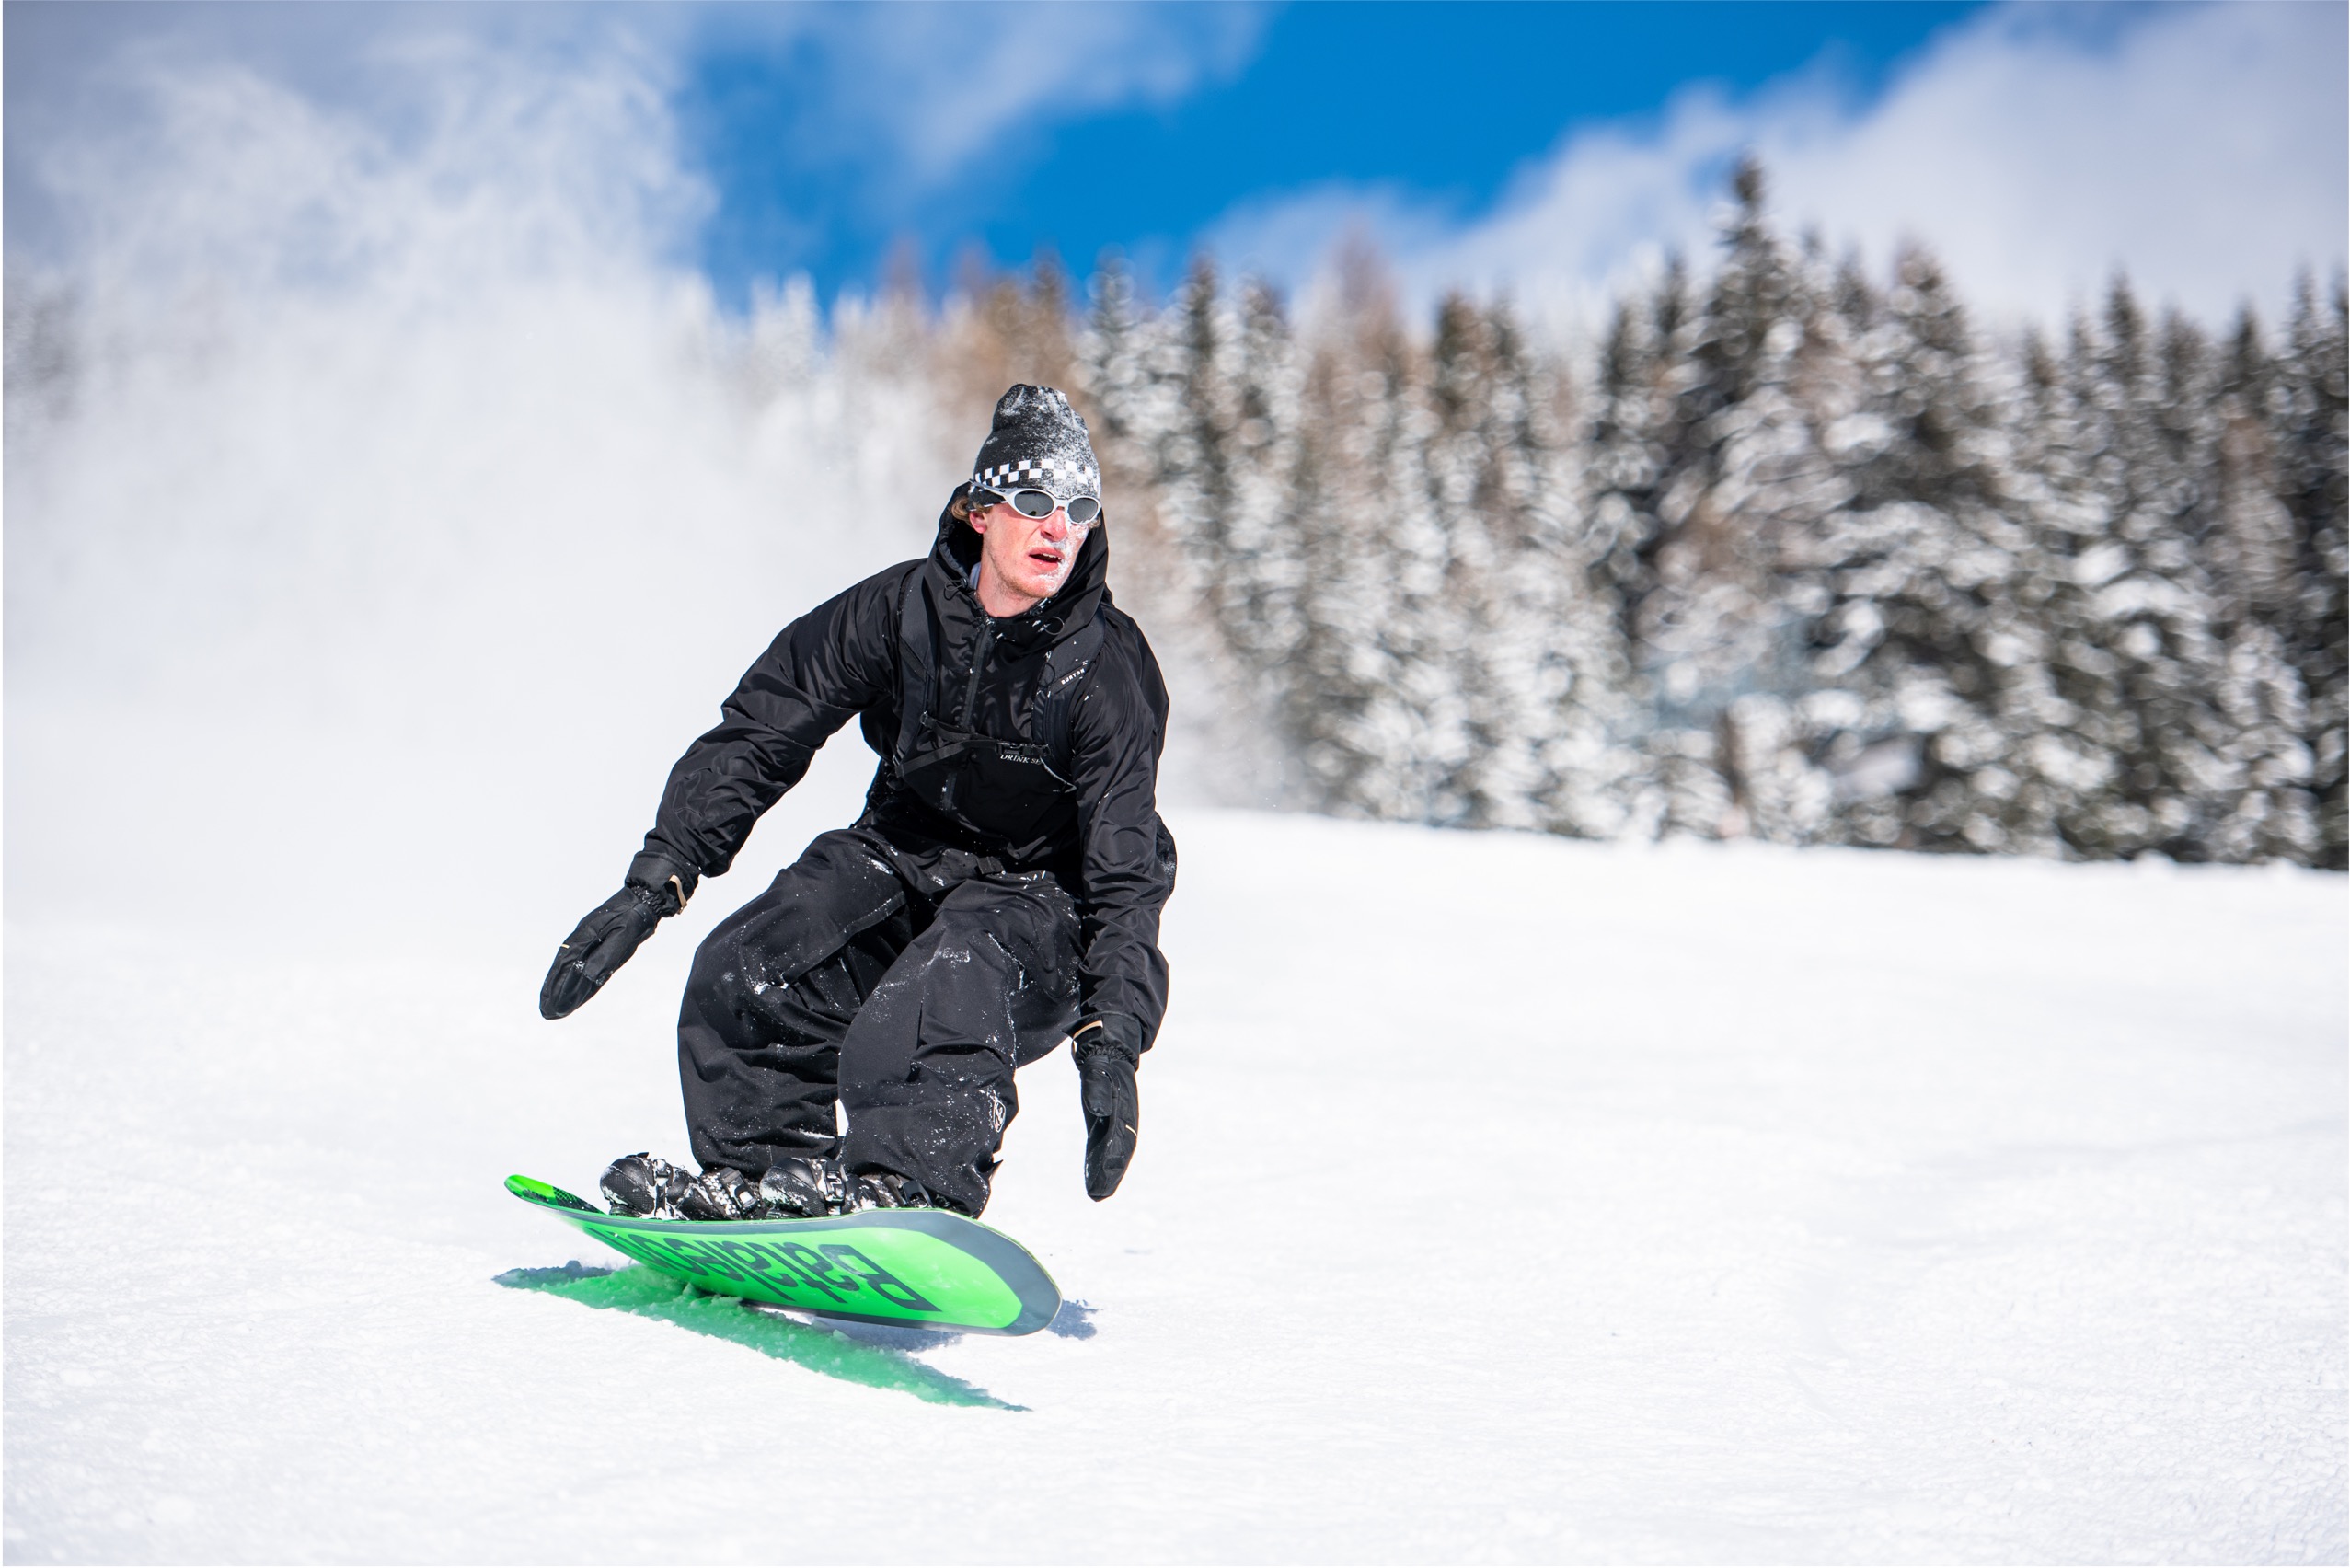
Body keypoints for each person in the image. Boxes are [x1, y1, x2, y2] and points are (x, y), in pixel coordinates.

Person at [537, 385, 1175, 1222]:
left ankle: (909, 1189)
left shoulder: (1106, 672)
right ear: (982, 510)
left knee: (953, 969)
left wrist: (1114, 1036)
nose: (1058, 527)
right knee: (751, 961)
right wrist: (660, 874)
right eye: (1033, 500)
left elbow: (1125, 870)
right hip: (904, 849)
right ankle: (770, 1177)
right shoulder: (897, 612)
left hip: (1039, 906)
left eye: (1079, 508)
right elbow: (767, 725)